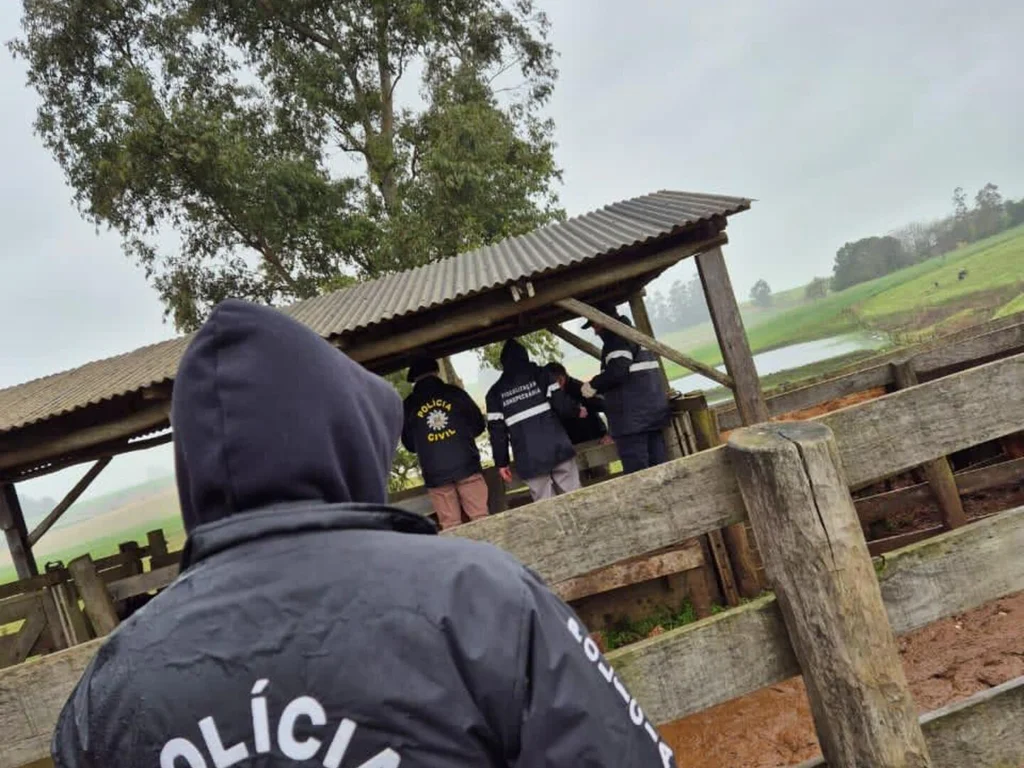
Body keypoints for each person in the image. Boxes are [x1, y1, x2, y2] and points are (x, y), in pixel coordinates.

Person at [51, 300, 677, 767]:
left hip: (441, 480)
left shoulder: (103, 696)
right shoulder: (480, 597)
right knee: (492, 522)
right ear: (347, 438)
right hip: (477, 480)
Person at [486, 339, 584, 501]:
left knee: (545, 505)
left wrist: (501, 463)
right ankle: (585, 525)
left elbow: (497, 433)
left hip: (528, 457)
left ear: (503, 363)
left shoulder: (495, 394)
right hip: (557, 448)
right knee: (574, 495)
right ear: (525, 356)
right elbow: (562, 405)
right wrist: (578, 410)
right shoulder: (543, 375)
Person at [401, 356, 489, 530]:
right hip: (467, 466)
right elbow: (479, 425)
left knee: (451, 526)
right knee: (482, 519)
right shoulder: (455, 393)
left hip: (435, 474)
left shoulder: (409, 405)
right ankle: (489, 556)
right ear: (436, 371)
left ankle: (460, 558)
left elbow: (409, 444)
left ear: (414, 379)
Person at [582, 303, 671, 474]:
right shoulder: (635, 335)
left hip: (632, 422)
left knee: (638, 476)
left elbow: (618, 370)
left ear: (601, 321)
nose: (595, 331)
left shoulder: (616, 338)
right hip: (653, 417)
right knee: (660, 471)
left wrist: (594, 385)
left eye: (594, 325)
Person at [544, 361, 613, 482]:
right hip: (572, 449)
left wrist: (610, 433)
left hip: (594, 442)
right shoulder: (551, 396)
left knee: (603, 479)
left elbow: (606, 405)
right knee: (580, 485)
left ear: (561, 379)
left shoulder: (580, 389)